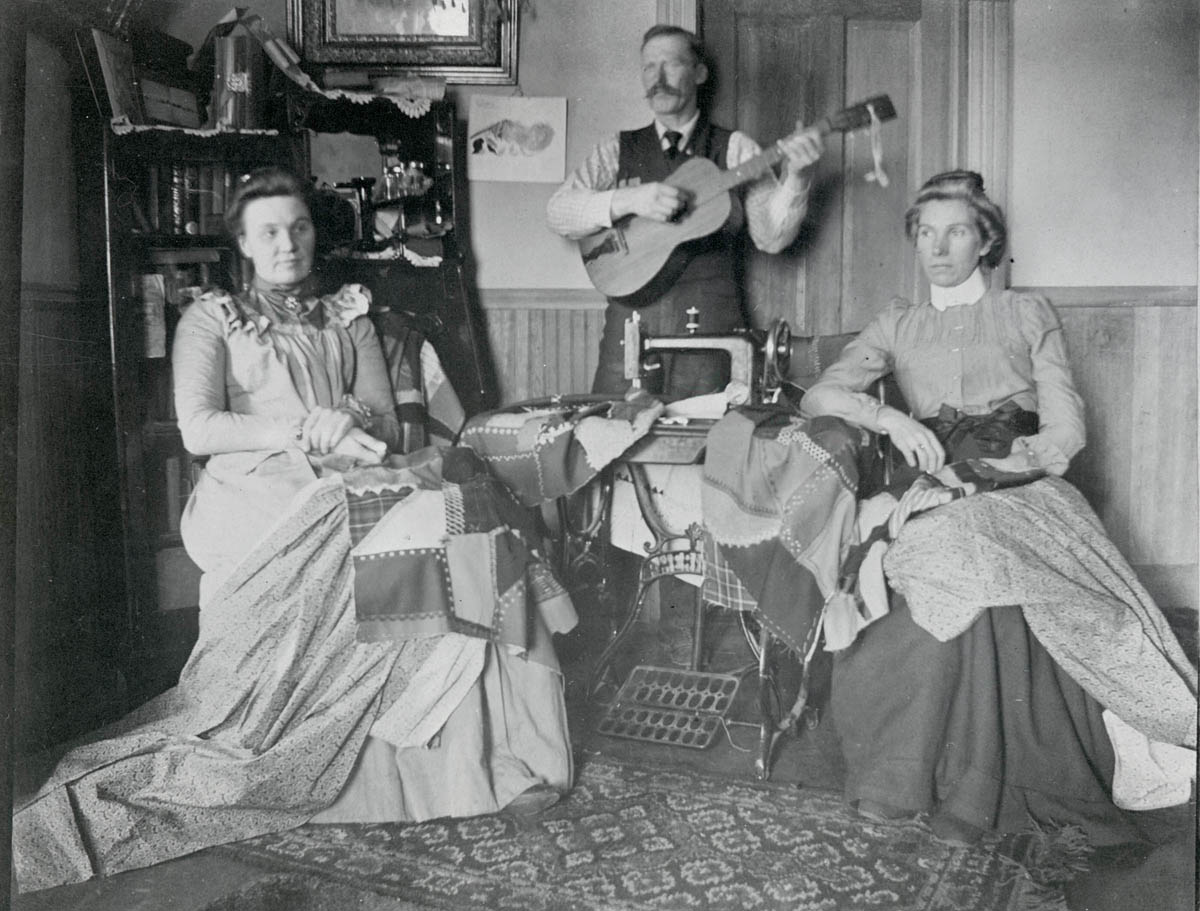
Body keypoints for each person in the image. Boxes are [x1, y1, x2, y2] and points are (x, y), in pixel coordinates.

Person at [13, 168, 576, 892]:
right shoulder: (211, 319)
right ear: (243, 243)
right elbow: (201, 428)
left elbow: (382, 414)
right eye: (270, 231)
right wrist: (299, 426)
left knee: (461, 520)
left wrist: (350, 419)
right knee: (431, 522)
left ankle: (485, 756)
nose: (288, 242)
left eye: (300, 227)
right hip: (256, 495)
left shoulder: (349, 314)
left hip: (345, 479)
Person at [801, 170, 1196, 849]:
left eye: (956, 232)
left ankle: (986, 787)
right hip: (929, 478)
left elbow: (1066, 431)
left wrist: (992, 470)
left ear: (986, 241)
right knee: (926, 547)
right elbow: (821, 397)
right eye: (926, 233)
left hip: (1019, 478)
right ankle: (901, 776)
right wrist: (889, 422)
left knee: (974, 544)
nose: (938, 248)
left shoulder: (1026, 313)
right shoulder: (898, 323)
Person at [546, 24, 823, 398]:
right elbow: (558, 212)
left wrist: (797, 178)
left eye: (672, 64)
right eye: (648, 67)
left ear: (699, 73)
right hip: (630, 328)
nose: (657, 79)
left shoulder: (737, 148)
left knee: (712, 443)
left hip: (712, 328)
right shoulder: (616, 149)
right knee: (614, 435)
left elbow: (771, 238)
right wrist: (629, 200)